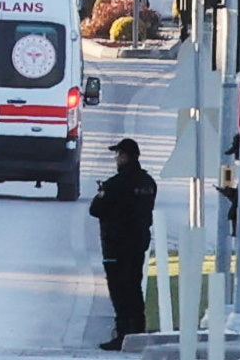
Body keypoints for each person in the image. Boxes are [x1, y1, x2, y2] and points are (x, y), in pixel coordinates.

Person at [90, 138, 158, 350]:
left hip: (116, 245)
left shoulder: (115, 184)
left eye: (118, 155)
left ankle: (123, 334)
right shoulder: (148, 183)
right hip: (138, 244)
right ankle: (137, 331)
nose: (116, 159)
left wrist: (103, 194)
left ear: (126, 157)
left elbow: (96, 210)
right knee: (134, 287)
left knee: (120, 291)